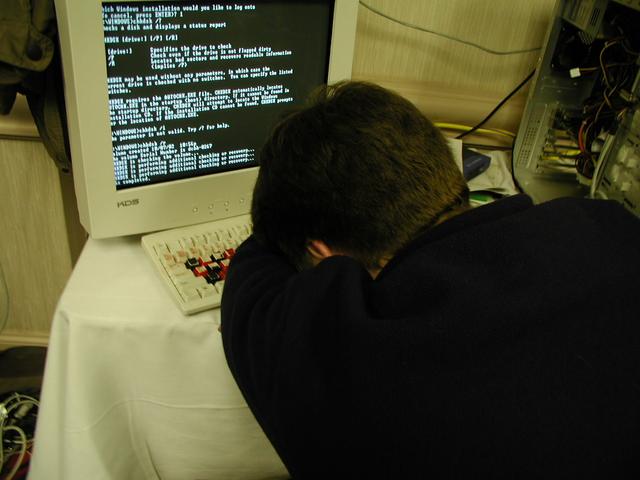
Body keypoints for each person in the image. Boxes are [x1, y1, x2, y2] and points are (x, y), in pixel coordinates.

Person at [220, 81, 640, 479]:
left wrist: (289, 206)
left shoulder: (347, 368)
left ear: (324, 253)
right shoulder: (605, 225)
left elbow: (253, 278)